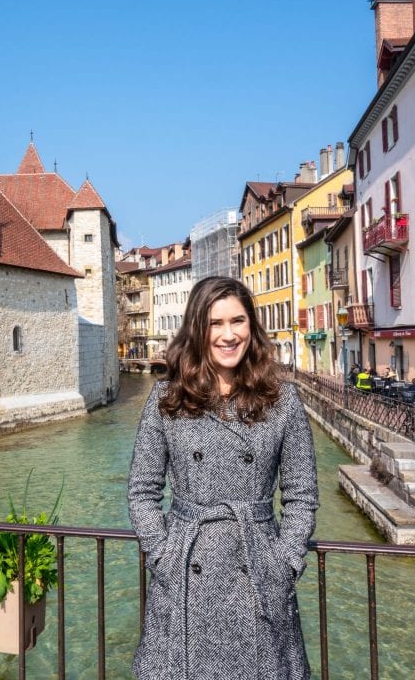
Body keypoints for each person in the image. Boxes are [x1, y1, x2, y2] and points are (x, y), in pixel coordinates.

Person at [128, 276, 319, 680]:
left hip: (258, 569)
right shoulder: (167, 398)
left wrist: (284, 561)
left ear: (252, 326)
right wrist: (163, 555)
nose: (229, 335)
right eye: (216, 323)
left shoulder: (282, 400)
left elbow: (302, 495)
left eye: (238, 321)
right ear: (198, 329)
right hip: (184, 570)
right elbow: (143, 492)